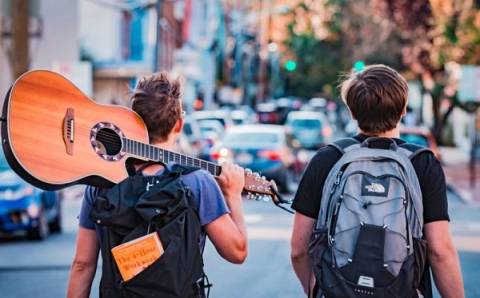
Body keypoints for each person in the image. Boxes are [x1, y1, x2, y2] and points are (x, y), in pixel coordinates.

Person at [67, 72, 248, 297]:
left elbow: (83, 265)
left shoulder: (101, 181)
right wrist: (233, 195)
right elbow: (237, 252)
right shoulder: (196, 182)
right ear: (179, 125)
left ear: (132, 119)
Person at [290, 64, 464, 297]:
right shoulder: (422, 163)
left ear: (352, 111)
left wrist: (316, 290)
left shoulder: (327, 159)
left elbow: (298, 250)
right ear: (403, 110)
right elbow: (441, 251)